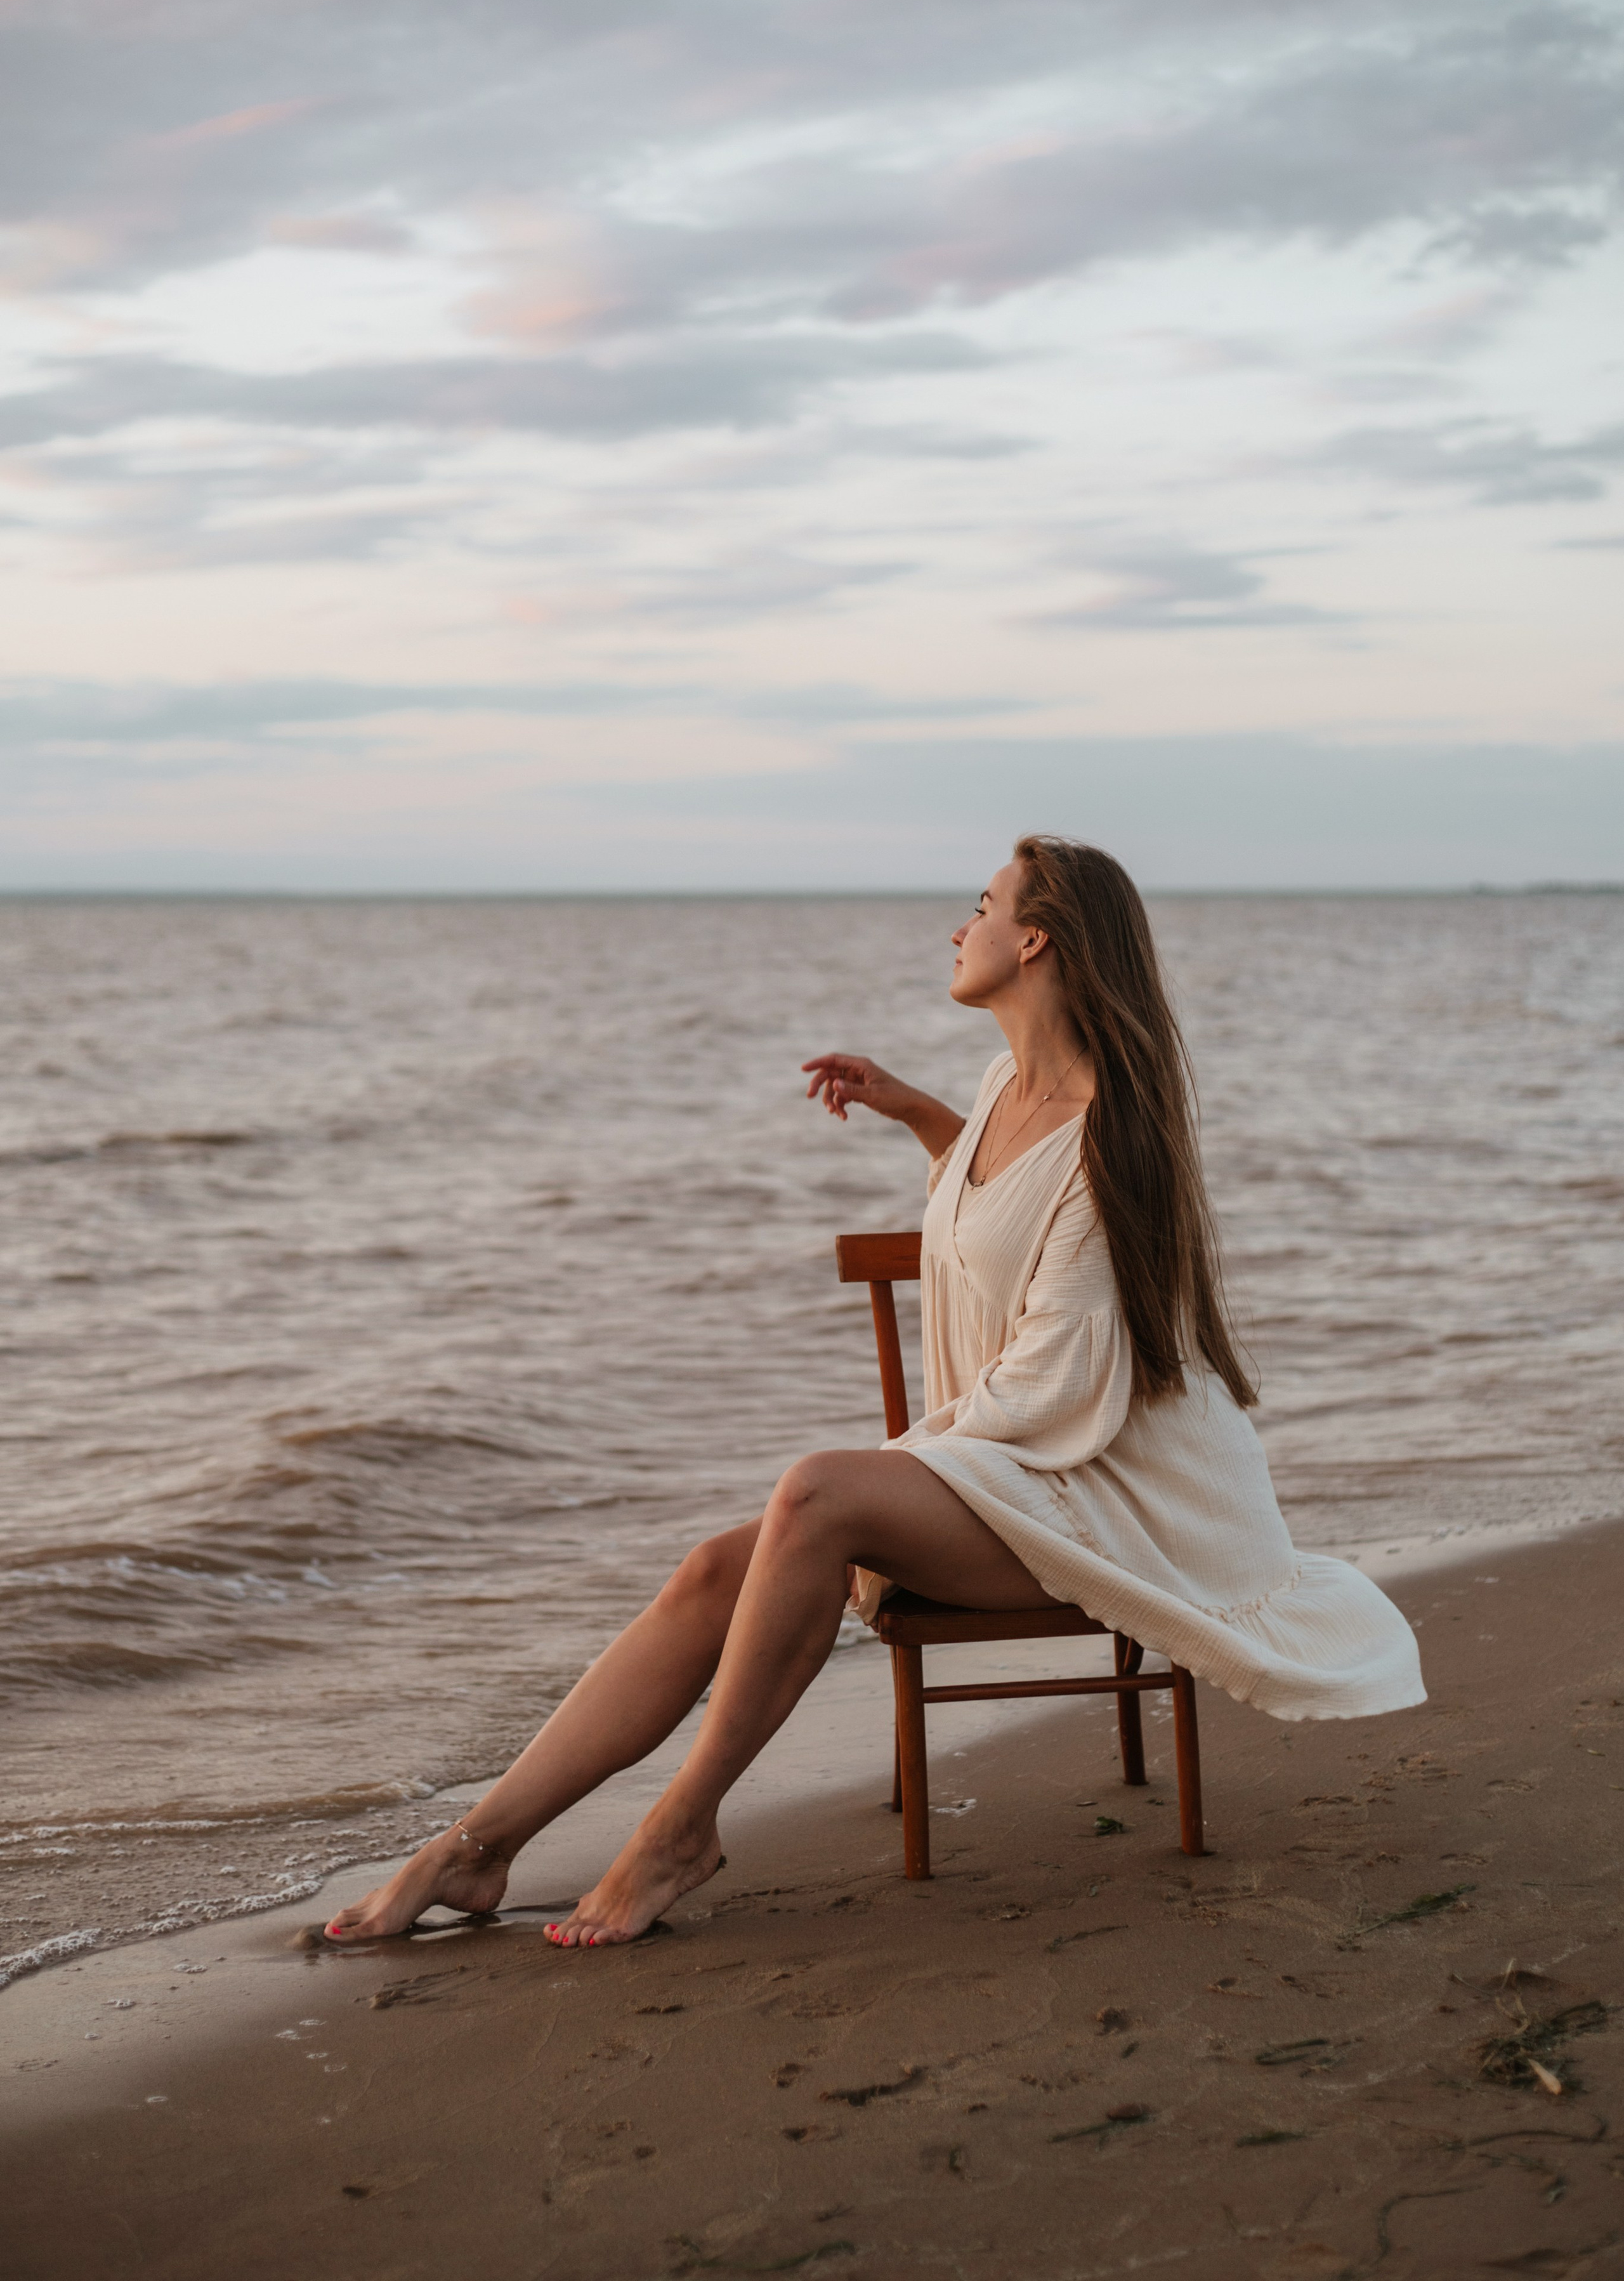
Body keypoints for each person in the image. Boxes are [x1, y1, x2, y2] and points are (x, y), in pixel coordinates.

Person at [324, 836, 1423, 1949]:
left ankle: (679, 1831)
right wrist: (916, 1113)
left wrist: (890, 1484)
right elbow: (996, 1214)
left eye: (982, 904)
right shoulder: (1004, 1088)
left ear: (1033, 937)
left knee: (819, 1496)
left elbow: (1055, 1385)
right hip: (1025, 1465)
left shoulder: (1114, 1142)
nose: (962, 926)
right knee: (718, 1566)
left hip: (1114, 1497)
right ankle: (473, 1851)